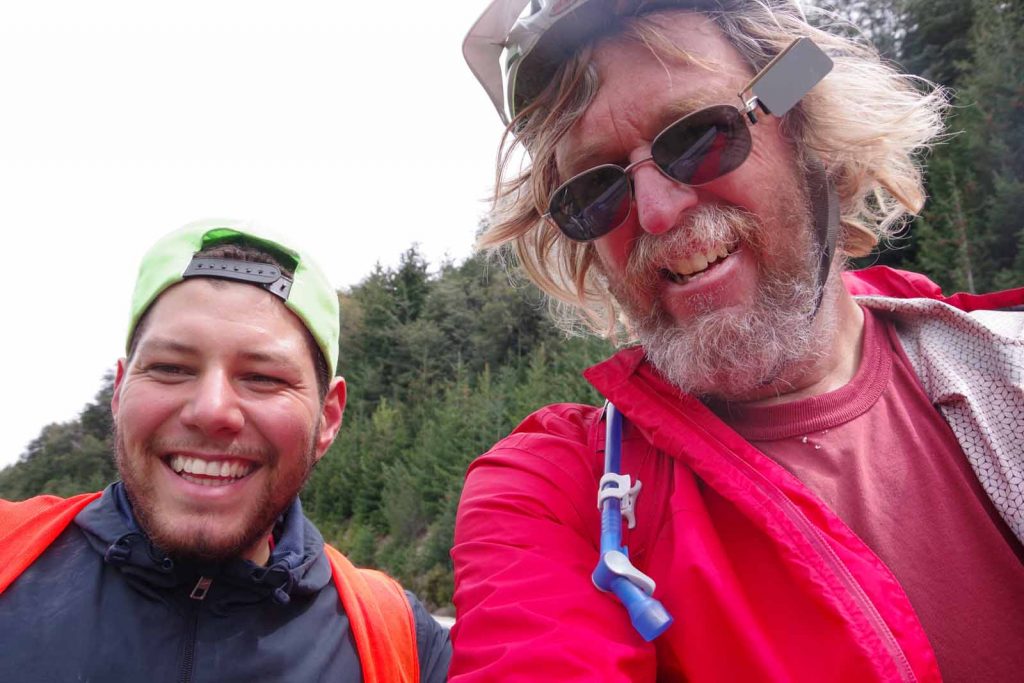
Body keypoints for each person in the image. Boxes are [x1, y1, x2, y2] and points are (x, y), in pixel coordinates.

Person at [452, 1, 1024, 681]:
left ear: (807, 126)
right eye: (596, 191)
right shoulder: (551, 493)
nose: (658, 212)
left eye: (699, 136)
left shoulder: (1002, 370)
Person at [0, 220, 451, 682]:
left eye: (263, 378)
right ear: (118, 392)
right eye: (171, 368)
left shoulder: (403, 644)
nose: (211, 410)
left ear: (328, 418)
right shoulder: (8, 554)